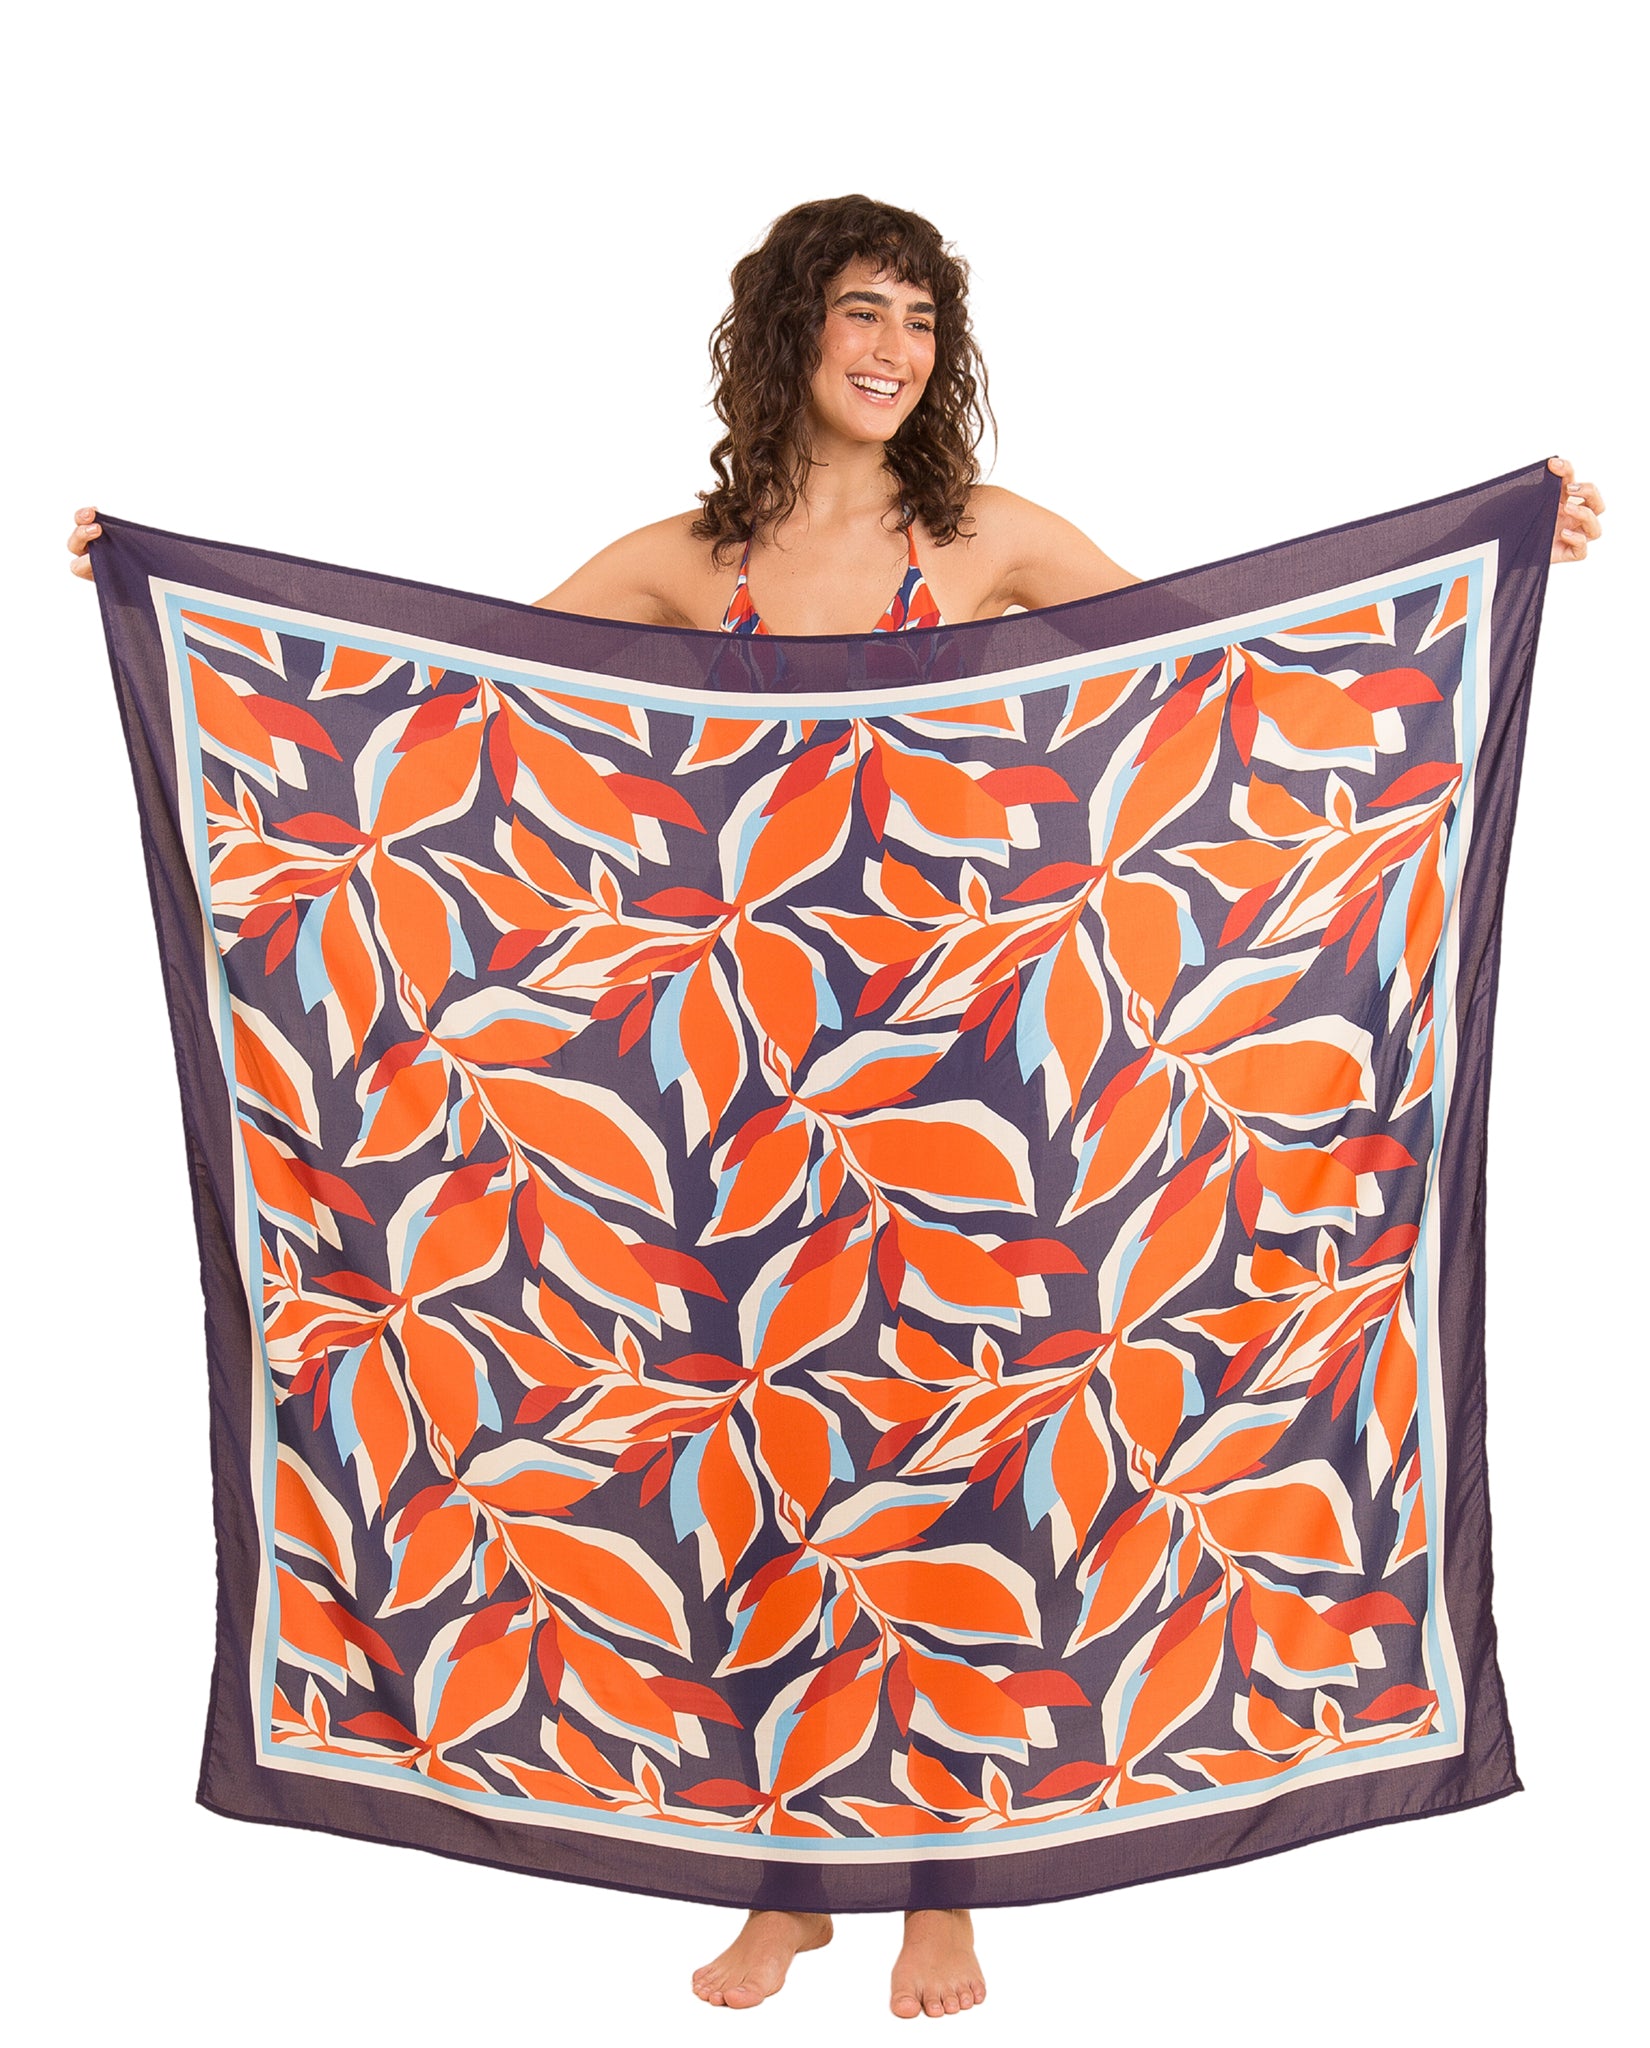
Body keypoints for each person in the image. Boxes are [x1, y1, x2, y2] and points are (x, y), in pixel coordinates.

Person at [65, 194, 1606, 2022]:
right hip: (740, 1090)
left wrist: (1499, 552)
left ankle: (945, 1885)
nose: (894, 351)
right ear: (788, 329)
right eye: (861, 312)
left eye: (922, 322)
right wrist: (174, 607)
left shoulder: (987, 536)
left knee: (945, 1463)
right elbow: (441, 704)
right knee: (783, 1475)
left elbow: (1219, 677)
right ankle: (787, 1881)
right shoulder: (683, 560)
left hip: (960, 1071)